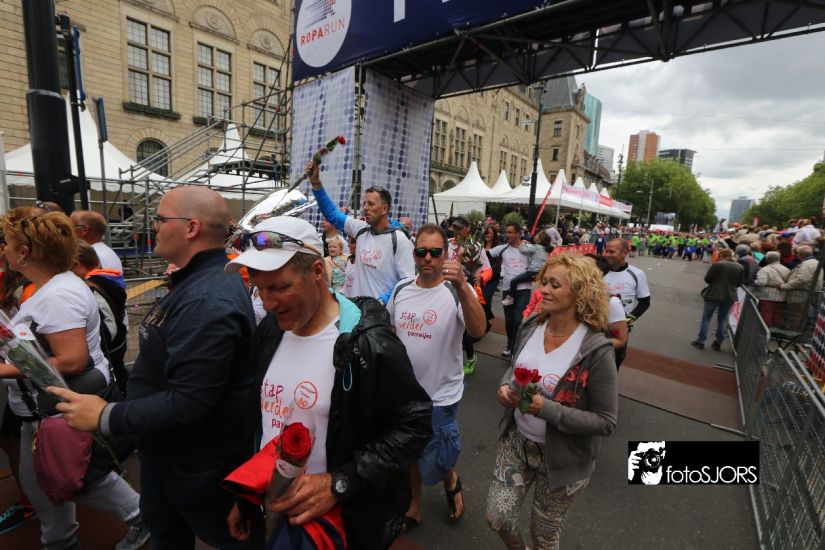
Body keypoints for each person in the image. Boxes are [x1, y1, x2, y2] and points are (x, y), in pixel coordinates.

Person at [51, 186, 256, 549]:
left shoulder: (208, 297)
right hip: (170, 456)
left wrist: (106, 416)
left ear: (191, 228)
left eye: (160, 219)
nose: (154, 226)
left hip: (195, 466)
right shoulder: (198, 281)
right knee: (166, 533)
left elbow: (190, 400)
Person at [223, 216, 432, 549]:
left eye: (280, 287)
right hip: (271, 512)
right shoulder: (270, 331)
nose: (268, 302)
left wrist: (340, 482)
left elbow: (414, 426)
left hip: (339, 528)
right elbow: (262, 426)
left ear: (318, 272)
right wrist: (247, 500)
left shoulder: (369, 345)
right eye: (260, 289)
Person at [0, 208, 148, 550]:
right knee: (53, 481)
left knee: (74, 480)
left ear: (24, 252)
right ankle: (61, 539)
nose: (3, 248)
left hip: (54, 409)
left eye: (6, 242)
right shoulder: (53, 286)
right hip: (46, 407)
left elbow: (71, 359)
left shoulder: (57, 295)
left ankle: (138, 517)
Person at [487, 254, 618, 550]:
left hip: (563, 457)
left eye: (554, 285)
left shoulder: (596, 350)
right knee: (498, 518)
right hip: (517, 442)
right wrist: (506, 387)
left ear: (579, 293)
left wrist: (546, 410)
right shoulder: (532, 324)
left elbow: (606, 422)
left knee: (543, 536)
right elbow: (516, 368)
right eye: (543, 282)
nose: (543, 289)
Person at [387, 223, 486, 529]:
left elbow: (478, 330)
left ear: (446, 255)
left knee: (437, 455)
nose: (427, 257)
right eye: (421, 251)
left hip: (441, 394)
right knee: (412, 452)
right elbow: (391, 333)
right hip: (406, 395)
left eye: (435, 252)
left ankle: (450, 476)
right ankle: (415, 505)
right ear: (414, 255)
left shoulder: (456, 291)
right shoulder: (401, 289)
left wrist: (462, 287)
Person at [307, 160, 414, 304]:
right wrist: (316, 182)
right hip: (357, 310)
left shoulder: (399, 239)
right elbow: (332, 214)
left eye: (371, 204)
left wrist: (382, 301)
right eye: (364, 203)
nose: (365, 208)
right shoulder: (360, 229)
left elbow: (407, 280)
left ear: (384, 209)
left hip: (382, 313)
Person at [72, 240, 129, 395]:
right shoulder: (109, 278)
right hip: (118, 341)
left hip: (110, 347)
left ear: (78, 265)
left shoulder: (92, 287)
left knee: (118, 380)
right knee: (120, 374)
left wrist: (100, 345)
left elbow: (109, 327)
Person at [447, 216, 492, 374]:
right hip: (445, 288)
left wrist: (482, 277)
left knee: (465, 326)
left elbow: (488, 269)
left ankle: (471, 357)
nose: (456, 231)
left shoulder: (476, 247)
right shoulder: (446, 244)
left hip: (466, 288)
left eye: (460, 228)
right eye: (454, 228)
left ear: (468, 229)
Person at [489, 223, 532, 357]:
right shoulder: (502, 248)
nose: (507, 235)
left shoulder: (528, 249)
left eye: (510, 232)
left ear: (518, 233)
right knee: (509, 320)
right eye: (506, 232)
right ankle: (510, 344)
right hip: (507, 290)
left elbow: (542, 255)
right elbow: (483, 255)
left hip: (524, 289)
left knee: (518, 320)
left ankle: (515, 347)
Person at [691, 248, 743, 351]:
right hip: (729, 295)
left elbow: (708, 279)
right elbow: (739, 283)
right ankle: (718, 342)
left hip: (714, 294)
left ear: (722, 255)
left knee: (706, 318)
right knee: (723, 319)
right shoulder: (739, 267)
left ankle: (701, 341)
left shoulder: (718, 264)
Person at [603, 238, 651, 328]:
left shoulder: (637, 274)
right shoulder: (597, 271)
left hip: (618, 327)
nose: (607, 255)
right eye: (606, 251)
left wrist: (629, 319)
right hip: (594, 324)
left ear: (624, 253)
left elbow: (644, 302)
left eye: (612, 252)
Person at [501, 231, 553, 307]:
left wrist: (522, 243)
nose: (535, 236)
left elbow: (523, 250)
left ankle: (510, 298)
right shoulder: (546, 248)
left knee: (514, 281)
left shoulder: (535, 247)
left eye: (537, 235)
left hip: (533, 272)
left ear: (539, 239)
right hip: (542, 272)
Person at [780, 245, 823, 331]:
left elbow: (801, 279)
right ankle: (797, 334)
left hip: (800, 295)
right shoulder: (815, 262)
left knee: (796, 316)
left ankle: (794, 335)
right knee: (799, 316)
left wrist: (785, 286)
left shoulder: (807, 263)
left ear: (800, 254)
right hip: (805, 294)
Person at [753, 251, 790, 328]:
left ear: (767, 259)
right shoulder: (786, 269)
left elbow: (761, 282)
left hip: (766, 295)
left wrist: (754, 281)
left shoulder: (765, 269)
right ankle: (775, 329)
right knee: (777, 314)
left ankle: (765, 329)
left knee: (767, 312)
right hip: (781, 295)